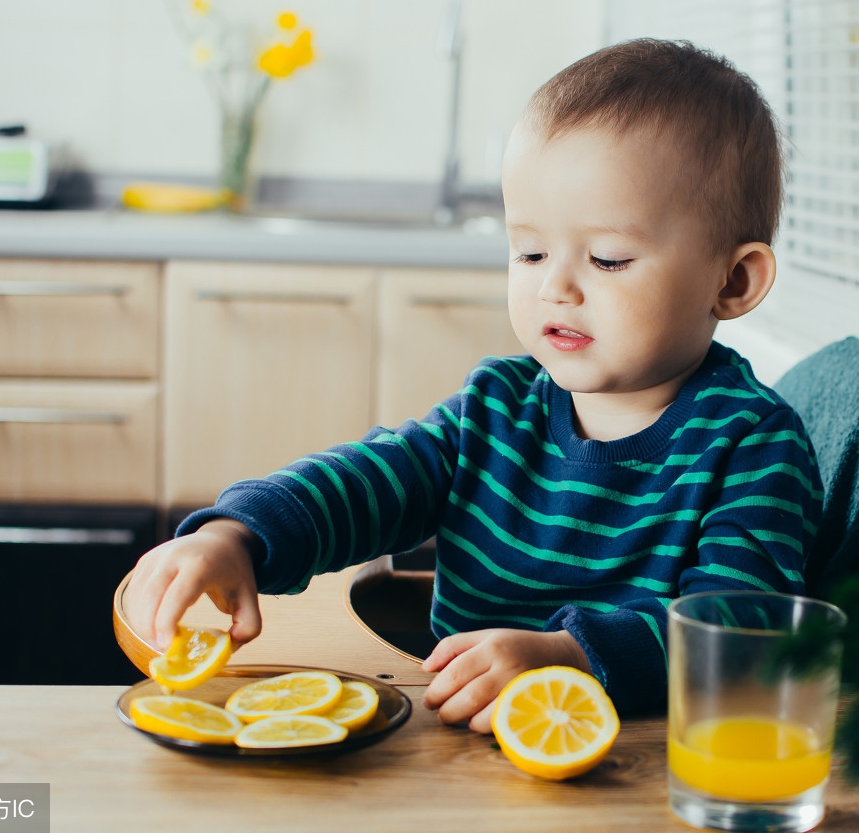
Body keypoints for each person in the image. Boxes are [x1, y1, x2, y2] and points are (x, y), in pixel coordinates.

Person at [125, 38, 823, 733]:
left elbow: (741, 631)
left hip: (635, 764)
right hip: (457, 752)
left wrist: (572, 658)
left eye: (608, 259)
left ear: (733, 281)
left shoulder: (754, 445)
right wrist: (238, 532)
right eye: (530, 251)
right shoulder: (495, 411)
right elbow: (367, 479)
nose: (556, 287)